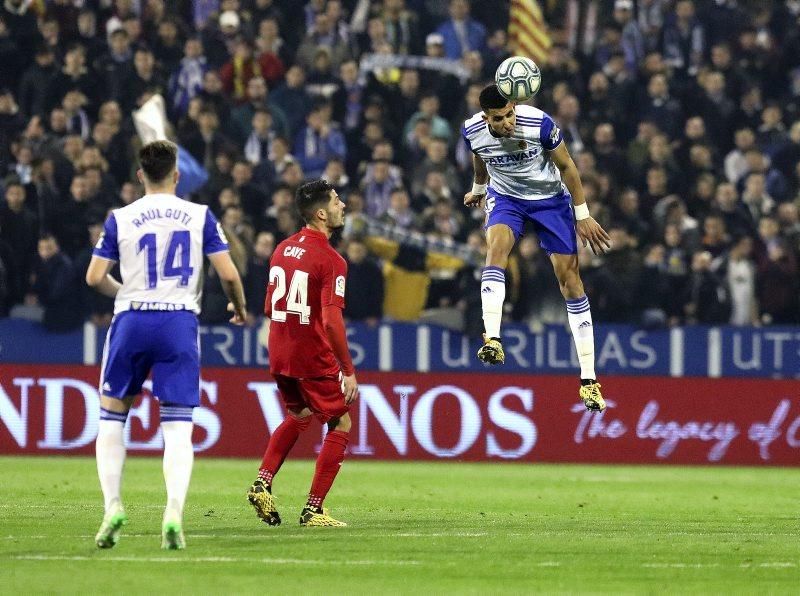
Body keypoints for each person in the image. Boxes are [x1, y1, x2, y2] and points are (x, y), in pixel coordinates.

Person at [86, 140, 247, 550]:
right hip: (178, 322)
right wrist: (239, 306)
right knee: (177, 428)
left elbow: (93, 278)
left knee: (111, 420)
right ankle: (173, 511)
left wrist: (125, 292)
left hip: (132, 319)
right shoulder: (200, 216)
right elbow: (228, 272)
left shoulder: (120, 218)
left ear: (140, 175)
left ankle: (113, 507)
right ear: (177, 174)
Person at [462, 85, 611, 411]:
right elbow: (479, 155)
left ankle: (588, 378)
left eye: (510, 114)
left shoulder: (539, 123)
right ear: (486, 117)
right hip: (507, 199)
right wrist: (478, 187)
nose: (507, 123)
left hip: (550, 201)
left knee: (569, 282)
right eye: (499, 119)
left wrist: (582, 215)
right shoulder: (472, 130)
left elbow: (568, 166)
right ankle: (492, 339)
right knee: (496, 250)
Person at [247, 179, 358, 528]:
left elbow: (268, 306)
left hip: (279, 349)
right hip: (310, 354)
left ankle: (263, 483)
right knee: (341, 421)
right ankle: (313, 509)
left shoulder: (281, 248)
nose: (343, 206)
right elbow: (330, 320)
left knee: (299, 416)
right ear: (322, 213)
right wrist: (348, 369)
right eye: (338, 201)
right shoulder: (331, 259)